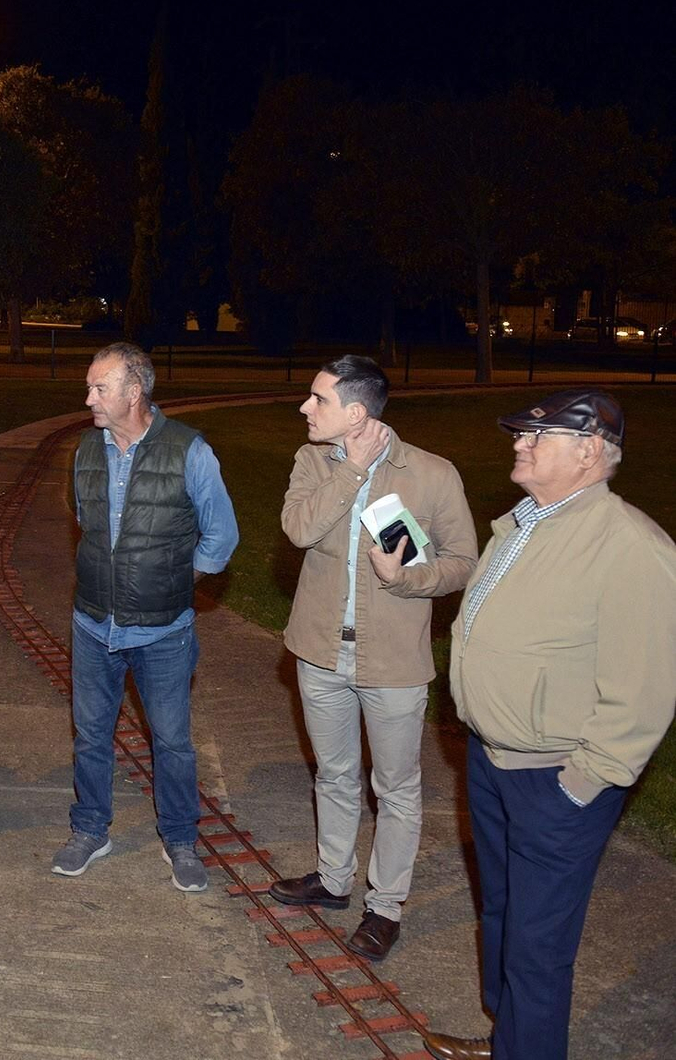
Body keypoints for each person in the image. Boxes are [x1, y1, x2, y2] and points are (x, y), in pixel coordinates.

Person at [421, 389, 676, 1060]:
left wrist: (582, 782)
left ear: (589, 452)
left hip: (554, 778)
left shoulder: (630, 546)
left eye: (539, 435)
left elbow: (644, 695)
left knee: (537, 945)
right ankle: (510, 1039)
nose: (519, 443)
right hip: (491, 761)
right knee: (502, 916)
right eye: (521, 433)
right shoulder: (525, 523)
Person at [272, 356, 477, 961]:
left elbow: (464, 562)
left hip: (393, 662)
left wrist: (410, 577)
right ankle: (334, 879)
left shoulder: (433, 474)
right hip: (319, 653)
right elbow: (300, 529)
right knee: (333, 773)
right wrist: (351, 473)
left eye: (319, 400)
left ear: (356, 412)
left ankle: (385, 905)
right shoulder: (313, 461)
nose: (305, 408)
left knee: (396, 788)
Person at [53, 343, 239, 892]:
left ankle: (180, 839)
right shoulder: (86, 450)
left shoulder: (190, 451)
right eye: (89, 387)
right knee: (90, 735)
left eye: (99, 388)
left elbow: (222, 536)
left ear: (134, 393)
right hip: (91, 624)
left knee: (172, 740)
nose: (89, 398)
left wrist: (177, 583)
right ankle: (90, 829)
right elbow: (85, 521)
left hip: (163, 632)